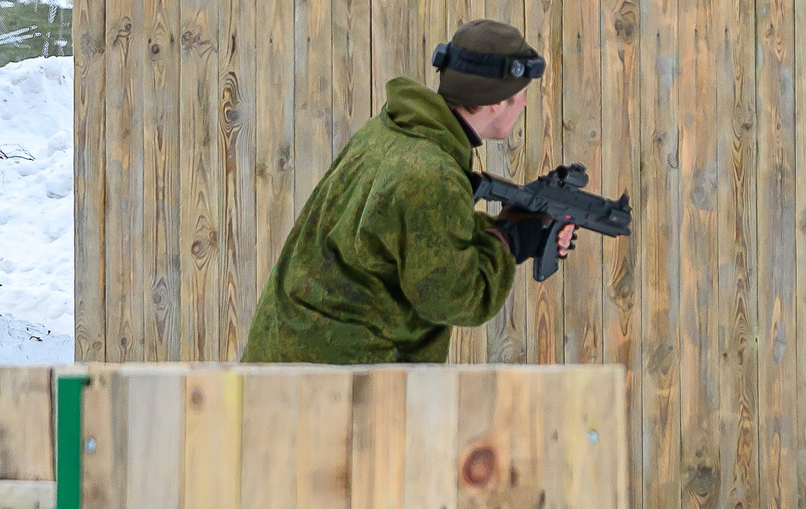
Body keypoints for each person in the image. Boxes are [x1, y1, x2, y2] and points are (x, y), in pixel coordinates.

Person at [241, 19, 577, 363]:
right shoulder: (434, 173)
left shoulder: (394, 133)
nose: (523, 105)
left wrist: (501, 227)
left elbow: (402, 233)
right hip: (333, 380)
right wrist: (508, 242)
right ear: (495, 102)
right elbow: (454, 296)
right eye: (520, 95)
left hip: (288, 359)